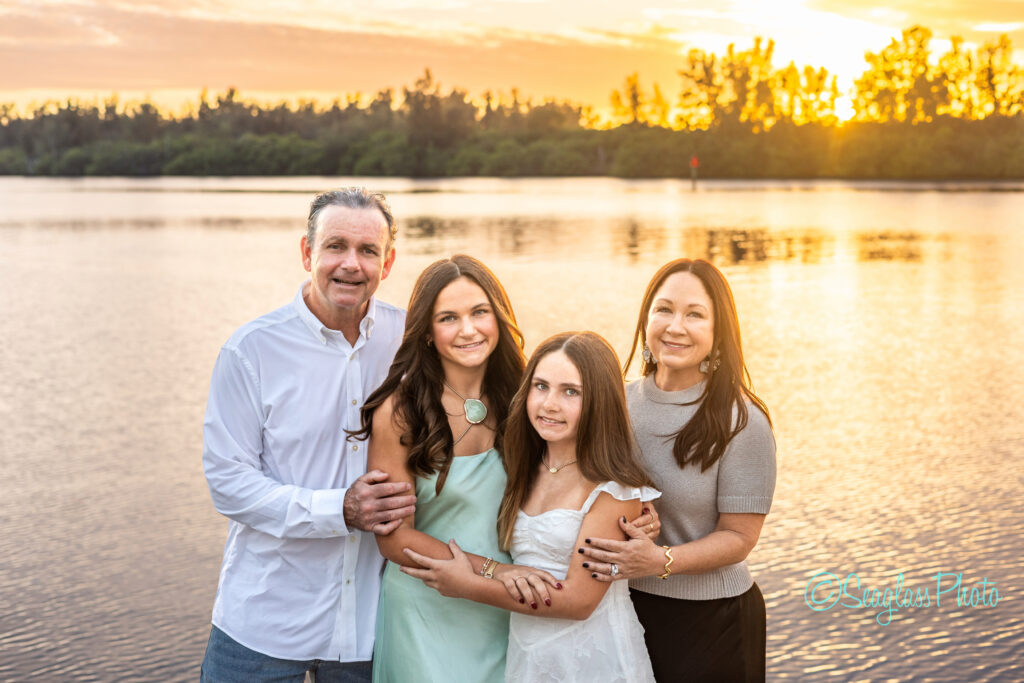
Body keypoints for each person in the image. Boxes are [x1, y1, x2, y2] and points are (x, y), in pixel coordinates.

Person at [199, 188, 416, 683]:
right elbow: (229, 482)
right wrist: (339, 509)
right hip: (263, 626)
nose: (351, 265)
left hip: (371, 631)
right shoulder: (250, 351)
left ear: (389, 262)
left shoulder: (411, 341)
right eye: (335, 246)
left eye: (368, 251)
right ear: (306, 253)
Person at [402, 331, 660, 683]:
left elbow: (578, 601)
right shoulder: (522, 467)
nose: (549, 404)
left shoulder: (614, 492)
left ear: (600, 400)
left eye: (571, 391)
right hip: (529, 653)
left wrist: (469, 586)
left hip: (593, 660)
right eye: (541, 386)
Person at [352, 254, 552, 683]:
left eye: (480, 312)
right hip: (427, 611)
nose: (468, 329)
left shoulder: (524, 397)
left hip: (506, 608)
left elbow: (570, 471)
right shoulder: (402, 412)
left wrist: (628, 512)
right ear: (426, 331)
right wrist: (495, 571)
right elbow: (394, 540)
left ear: (499, 316)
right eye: (448, 317)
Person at [578, 258, 777, 682]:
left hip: (712, 622)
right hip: (621, 608)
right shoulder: (616, 403)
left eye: (695, 314)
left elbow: (740, 537)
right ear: (646, 318)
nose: (675, 326)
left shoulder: (743, 421)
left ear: (718, 331)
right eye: (664, 309)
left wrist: (660, 560)